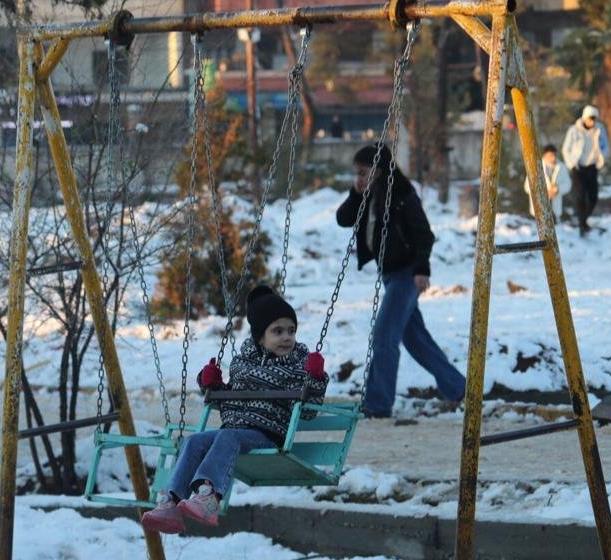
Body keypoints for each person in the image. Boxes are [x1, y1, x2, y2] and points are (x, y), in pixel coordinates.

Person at [140, 286, 327, 533]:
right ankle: (171, 502)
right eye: (278, 331)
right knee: (194, 441)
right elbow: (228, 402)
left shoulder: (298, 366)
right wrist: (212, 385)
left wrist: (315, 378)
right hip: (235, 431)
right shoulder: (242, 363)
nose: (287, 337)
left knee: (228, 436)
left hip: (268, 435)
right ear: (260, 337)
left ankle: (209, 496)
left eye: (291, 331)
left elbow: (308, 411)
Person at [335, 145, 465, 418]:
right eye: (356, 174)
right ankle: (458, 388)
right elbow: (343, 219)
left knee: (384, 337)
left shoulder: (401, 194)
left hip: (406, 274)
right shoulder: (368, 194)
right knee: (416, 340)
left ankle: (378, 404)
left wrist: (421, 269)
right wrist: (355, 193)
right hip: (389, 275)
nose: (359, 179)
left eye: (363, 173)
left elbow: (424, 234)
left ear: (379, 170)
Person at [562, 105, 609, 236]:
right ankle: (582, 225)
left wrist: (602, 158)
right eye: (590, 119)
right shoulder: (574, 130)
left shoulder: (600, 129)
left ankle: (583, 220)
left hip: (592, 167)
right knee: (580, 196)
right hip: (578, 167)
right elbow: (566, 149)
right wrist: (571, 164)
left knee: (593, 197)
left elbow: (605, 146)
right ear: (584, 118)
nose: (592, 122)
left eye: (594, 119)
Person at [524, 144, 571, 221]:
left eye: (555, 155)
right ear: (544, 155)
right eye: (551, 155)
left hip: (555, 210)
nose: (553, 158)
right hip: (539, 209)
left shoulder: (562, 167)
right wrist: (544, 192)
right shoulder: (535, 166)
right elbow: (527, 186)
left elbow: (568, 184)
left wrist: (557, 189)